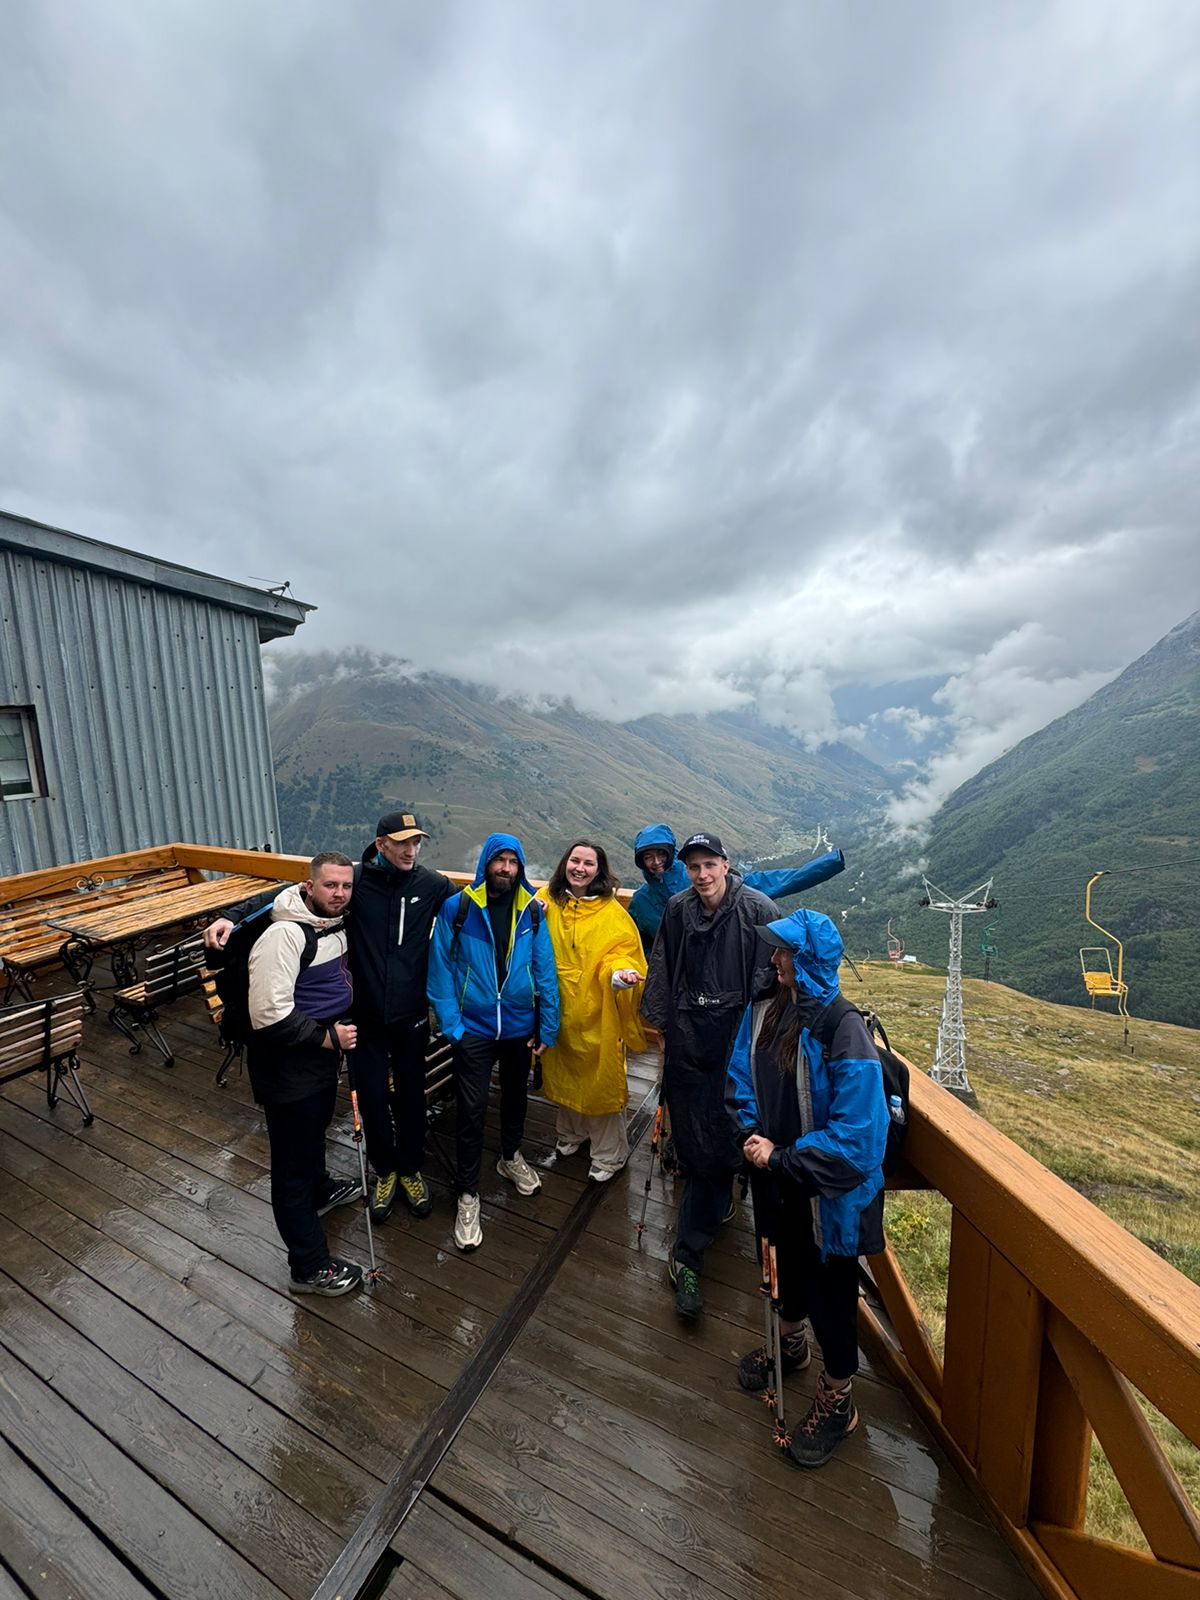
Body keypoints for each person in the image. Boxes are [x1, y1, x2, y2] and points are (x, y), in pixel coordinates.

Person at [206, 809, 455, 1225]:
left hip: (412, 1018)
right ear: (382, 845)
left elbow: (474, 906)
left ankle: (410, 1170)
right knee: (373, 1100)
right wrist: (231, 916)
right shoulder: (355, 880)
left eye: (417, 842)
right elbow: (285, 895)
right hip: (363, 1021)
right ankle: (384, 1171)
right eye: (403, 842)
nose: (411, 850)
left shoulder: (430, 884)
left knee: (412, 1097)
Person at [726, 907, 887, 1467]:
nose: (774, 959)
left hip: (828, 1200)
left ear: (808, 960)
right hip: (779, 1180)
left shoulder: (845, 1031)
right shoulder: (774, 1010)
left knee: (833, 1298)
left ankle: (839, 1400)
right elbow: (742, 1075)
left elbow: (859, 1142)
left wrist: (783, 1156)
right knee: (783, 1265)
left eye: (784, 952)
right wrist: (750, 1133)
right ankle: (790, 1348)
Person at [639, 832, 779, 1318]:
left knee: (727, 1133)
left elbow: (776, 978)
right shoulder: (678, 909)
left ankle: (690, 1248)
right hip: (689, 1038)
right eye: (693, 867)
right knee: (697, 1136)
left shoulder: (758, 910)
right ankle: (697, 1235)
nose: (701, 875)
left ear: (725, 864)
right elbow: (663, 964)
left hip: (737, 1044)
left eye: (709, 865)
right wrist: (659, 1022)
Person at [427, 833, 560, 1252]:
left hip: (520, 1026)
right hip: (475, 1028)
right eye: (498, 861)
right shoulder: (460, 907)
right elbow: (440, 970)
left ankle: (509, 1156)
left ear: (520, 867)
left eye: (512, 862)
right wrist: (453, 1027)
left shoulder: (533, 911)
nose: (505, 868)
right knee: (471, 1108)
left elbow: (545, 971)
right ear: (485, 863)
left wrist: (548, 1026)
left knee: (516, 1097)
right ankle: (468, 1193)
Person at [246, 851, 364, 1297]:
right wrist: (327, 1038)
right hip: (287, 1064)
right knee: (291, 1165)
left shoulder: (333, 923)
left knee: (313, 1134)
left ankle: (321, 1190)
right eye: (330, 885)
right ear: (309, 886)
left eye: (346, 886)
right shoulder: (284, 935)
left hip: (317, 1060)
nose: (339, 893)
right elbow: (268, 1015)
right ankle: (309, 1266)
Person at [535, 840, 648, 1183]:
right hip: (558, 1009)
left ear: (600, 871)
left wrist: (619, 976)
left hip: (598, 1012)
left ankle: (609, 1154)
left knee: (600, 1084)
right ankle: (572, 1135)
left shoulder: (612, 915)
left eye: (588, 863)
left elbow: (621, 955)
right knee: (564, 1075)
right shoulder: (546, 900)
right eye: (575, 861)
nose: (580, 868)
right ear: (564, 864)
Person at [628, 824, 846, 955]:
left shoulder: (706, 879)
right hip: (680, 982)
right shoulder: (641, 901)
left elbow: (775, 882)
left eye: (661, 854)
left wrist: (828, 864)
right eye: (648, 857)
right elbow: (639, 944)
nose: (656, 862)